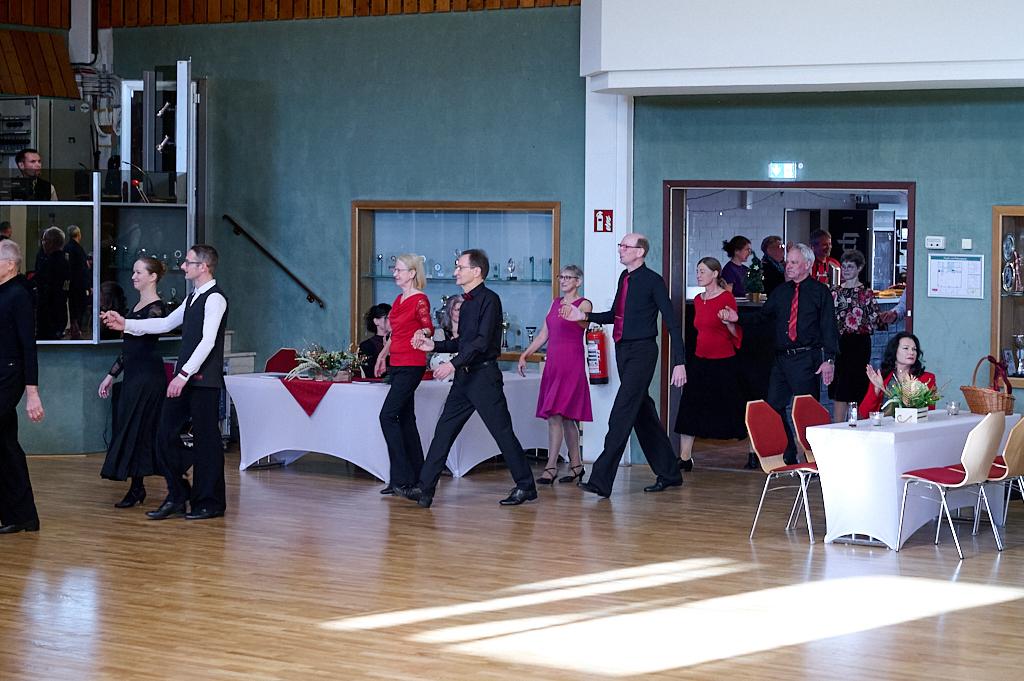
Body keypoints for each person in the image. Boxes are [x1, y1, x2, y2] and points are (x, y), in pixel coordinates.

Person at [401, 249, 537, 508]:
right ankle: (425, 489)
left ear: (476, 271)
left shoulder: (490, 300)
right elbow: (463, 342)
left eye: (460, 267)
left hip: (483, 377)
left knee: (502, 433)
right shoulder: (467, 303)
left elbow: (481, 343)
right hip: (465, 377)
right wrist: (434, 346)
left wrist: (452, 365)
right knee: (444, 431)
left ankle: (526, 486)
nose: (455, 271)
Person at [102, 244, 228, 521]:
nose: (183, 266)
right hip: (185, 380)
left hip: (203, 382)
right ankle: (178, 494)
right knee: (163, 435)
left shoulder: (215, 299)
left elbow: (208, 342)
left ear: (203, 267)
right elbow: (165, 323)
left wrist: (183, 375)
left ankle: (210, 502)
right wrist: (126, 324)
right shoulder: (193, 296)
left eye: (188, 262)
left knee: (207, 442)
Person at [561, 232, 687, 498]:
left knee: (621, 414)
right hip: (623, 350)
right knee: (643, 415)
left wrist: (680, 362)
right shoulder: (625, 278)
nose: (620, 249)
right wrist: (582, 315)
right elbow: (614, 315)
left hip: (642, 352)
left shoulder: (653, 281)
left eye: (625, 246)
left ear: (640, 251)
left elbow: (672, 322)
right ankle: (670, 472)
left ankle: (600, 480)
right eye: (620, 245)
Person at [719, 243, 838, 465]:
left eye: (794, 263)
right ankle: (788, 451)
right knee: (774, 406)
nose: (788, 267)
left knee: (805, 410)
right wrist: (737, 318)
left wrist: (829, 360)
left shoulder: (820, 292)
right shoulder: (781, 291)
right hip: (781, 358)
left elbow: (829, 328)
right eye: (787, 262)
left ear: (807, 265)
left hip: (806, 358)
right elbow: (762, 317)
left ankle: (814, 458)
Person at [97, 257, 168, 508]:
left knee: (146, 429)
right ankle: (137, 487)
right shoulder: (137, 306)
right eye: (134, 272)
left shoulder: (157, 308)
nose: (133, 276)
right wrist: (111, 374)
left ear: (153, 277)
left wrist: (125, 323)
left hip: (149, 377)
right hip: (135, 376)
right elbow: (129, 348)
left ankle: (174, 485)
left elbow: (149, 331)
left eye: (139, 272)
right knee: (133, 429)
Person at [517, 264, 593, 485]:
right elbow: (544, 334)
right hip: (554, 363)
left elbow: (584, 324)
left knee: (564, 415)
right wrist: (525, 354)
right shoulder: (555, 303)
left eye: (569, 278)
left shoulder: (583, 303)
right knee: (558, 415)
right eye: (562, 277)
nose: (564, 281)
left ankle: (553, 466)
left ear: (578, 281)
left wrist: (575, 316)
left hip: (571, 363)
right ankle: (575, 465)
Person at [674, 257, 744, 470]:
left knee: (733, 406)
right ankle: (685, 458)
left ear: (715, 274)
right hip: (700, 359)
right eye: (697, 271)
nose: (698, 275)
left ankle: (752, 451)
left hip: (723, 361)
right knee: (690, 405)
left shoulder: (726, 298)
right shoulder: (697, 299)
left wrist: (729, 322)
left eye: (703, 271)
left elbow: (735, 332)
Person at [373, 254, 432, 496]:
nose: (395, 273)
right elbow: (395, 334)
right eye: (394, 269)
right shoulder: (398, 300)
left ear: (412, 273)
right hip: (397, 362)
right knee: (406, 419)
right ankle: (417, 477)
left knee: (387, 416)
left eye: (399, 270)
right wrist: (382, 356)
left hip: (412, 363)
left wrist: (423, 333)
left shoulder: (420, 300)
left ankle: (401, 477)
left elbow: (428, 325)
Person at [0, 240, 46, 534]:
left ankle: (21, 514)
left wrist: (32, 392)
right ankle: (22, 515)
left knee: (5, 445)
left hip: (10, 376)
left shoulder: (18, 295)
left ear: (10, 264)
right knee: (5, 444)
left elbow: (29, 346)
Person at [829, 250, 882, 422]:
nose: (845, 270)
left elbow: (875, 319)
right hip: (840, 343)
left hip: (859, 344)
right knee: (840, 386)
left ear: (859, 268)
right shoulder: (834, 292)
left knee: (858, 385)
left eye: (850, 267)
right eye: (843, 266)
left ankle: (857, 425)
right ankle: (837, 426)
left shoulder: (866, 293)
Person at [862, 332, 937, 415]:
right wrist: (877, 388)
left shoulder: (927, 378)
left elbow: (929, 412)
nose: (911, 352)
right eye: (906, 348)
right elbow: (865, 413)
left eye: (914, 349)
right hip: (885, 426)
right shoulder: (882, 377)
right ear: (894, 351)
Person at [33, 226, 70, 340]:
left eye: (44, 240)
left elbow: (40, 280)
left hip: (49, 311)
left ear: (51, 243)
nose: (42, 243)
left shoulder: (50, 263)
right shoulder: (65, 260)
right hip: (60, 309)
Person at [64, 225, 90, 340]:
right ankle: (77, 328)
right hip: (79, 284)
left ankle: (74, 328)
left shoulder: (67, 248)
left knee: (72, 307)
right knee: (80, 307)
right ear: (78, 235)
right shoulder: (79, 250)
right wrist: (87, 286)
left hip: (70, 284)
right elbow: (82, 269)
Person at [359, 303, 391, 378]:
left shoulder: (399, 341)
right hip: (375, 386)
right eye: (387, 318)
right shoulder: (366, 346)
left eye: (393, 317)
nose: (392, 320)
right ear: (376, 321)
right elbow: (371, 372)